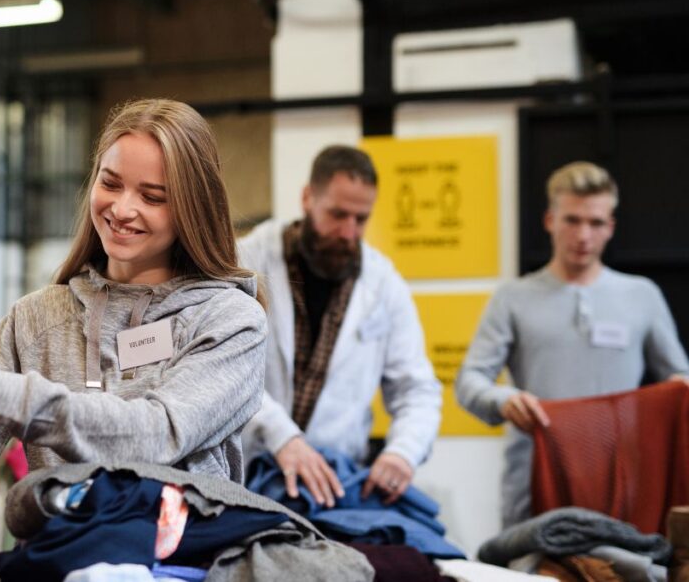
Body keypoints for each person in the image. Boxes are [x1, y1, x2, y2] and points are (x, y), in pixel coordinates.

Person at [0, 98, 268, 483]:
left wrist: (4, 396)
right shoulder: (38, 317)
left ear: (193, 207)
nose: (121, 209)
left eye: (152, 197)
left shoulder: (230, 320)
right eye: (110, 183)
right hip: (56, 543)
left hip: (179, 544)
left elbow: (160, 434)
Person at [455, 161, 689, 527]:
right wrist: (503, 400)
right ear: (550, 220)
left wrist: (677, 393)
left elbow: (679, 376)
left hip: (624, 484)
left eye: (595, 223)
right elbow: (469, 380)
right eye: (572, 220)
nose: (583, 235)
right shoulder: (513, 298)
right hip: (536, 484)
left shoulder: (642, 295)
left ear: (610, 227)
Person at [239, 145, 442, 507]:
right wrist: (281, 435)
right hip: (249, 469)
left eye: (361, 219)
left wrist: (402, 453)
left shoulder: (383, 284)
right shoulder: (246, 261)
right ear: (307, 198)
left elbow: (417, 391)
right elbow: (224, 369)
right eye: (337, 215)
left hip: (335, 483)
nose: (349, 232)